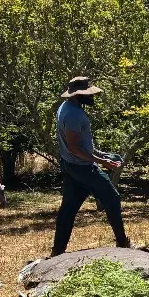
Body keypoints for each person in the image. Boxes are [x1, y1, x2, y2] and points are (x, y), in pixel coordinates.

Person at [51, 75, 135, 257]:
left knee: (68, 209)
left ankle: (57, 251)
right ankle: (122, 243)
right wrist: (102, 162)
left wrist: (100, 154)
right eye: (87, 94)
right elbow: (74, 147)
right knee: (112, 198)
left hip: (70, 166)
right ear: (76, 95)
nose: (92, 97)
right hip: (81, 167)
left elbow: (81, 144)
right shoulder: (74, 114)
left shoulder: (66, 108)